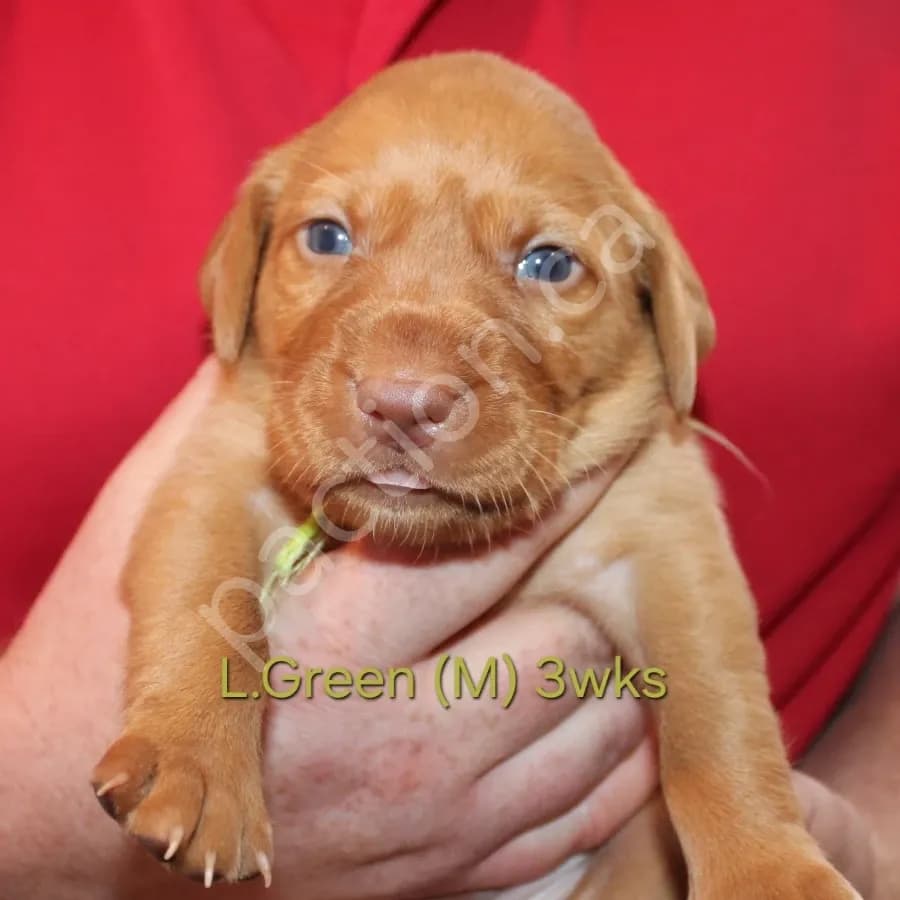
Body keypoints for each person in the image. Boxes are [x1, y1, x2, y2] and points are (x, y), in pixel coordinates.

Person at [1, 2, 897, 898]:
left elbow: (691, 626)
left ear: (658, 320)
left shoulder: (633, 446)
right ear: (244, 269)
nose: (406, 390)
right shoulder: (261, 404)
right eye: (329, 237)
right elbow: (209, 512)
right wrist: (163, 751)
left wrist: (780, 844)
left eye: (548, 264)